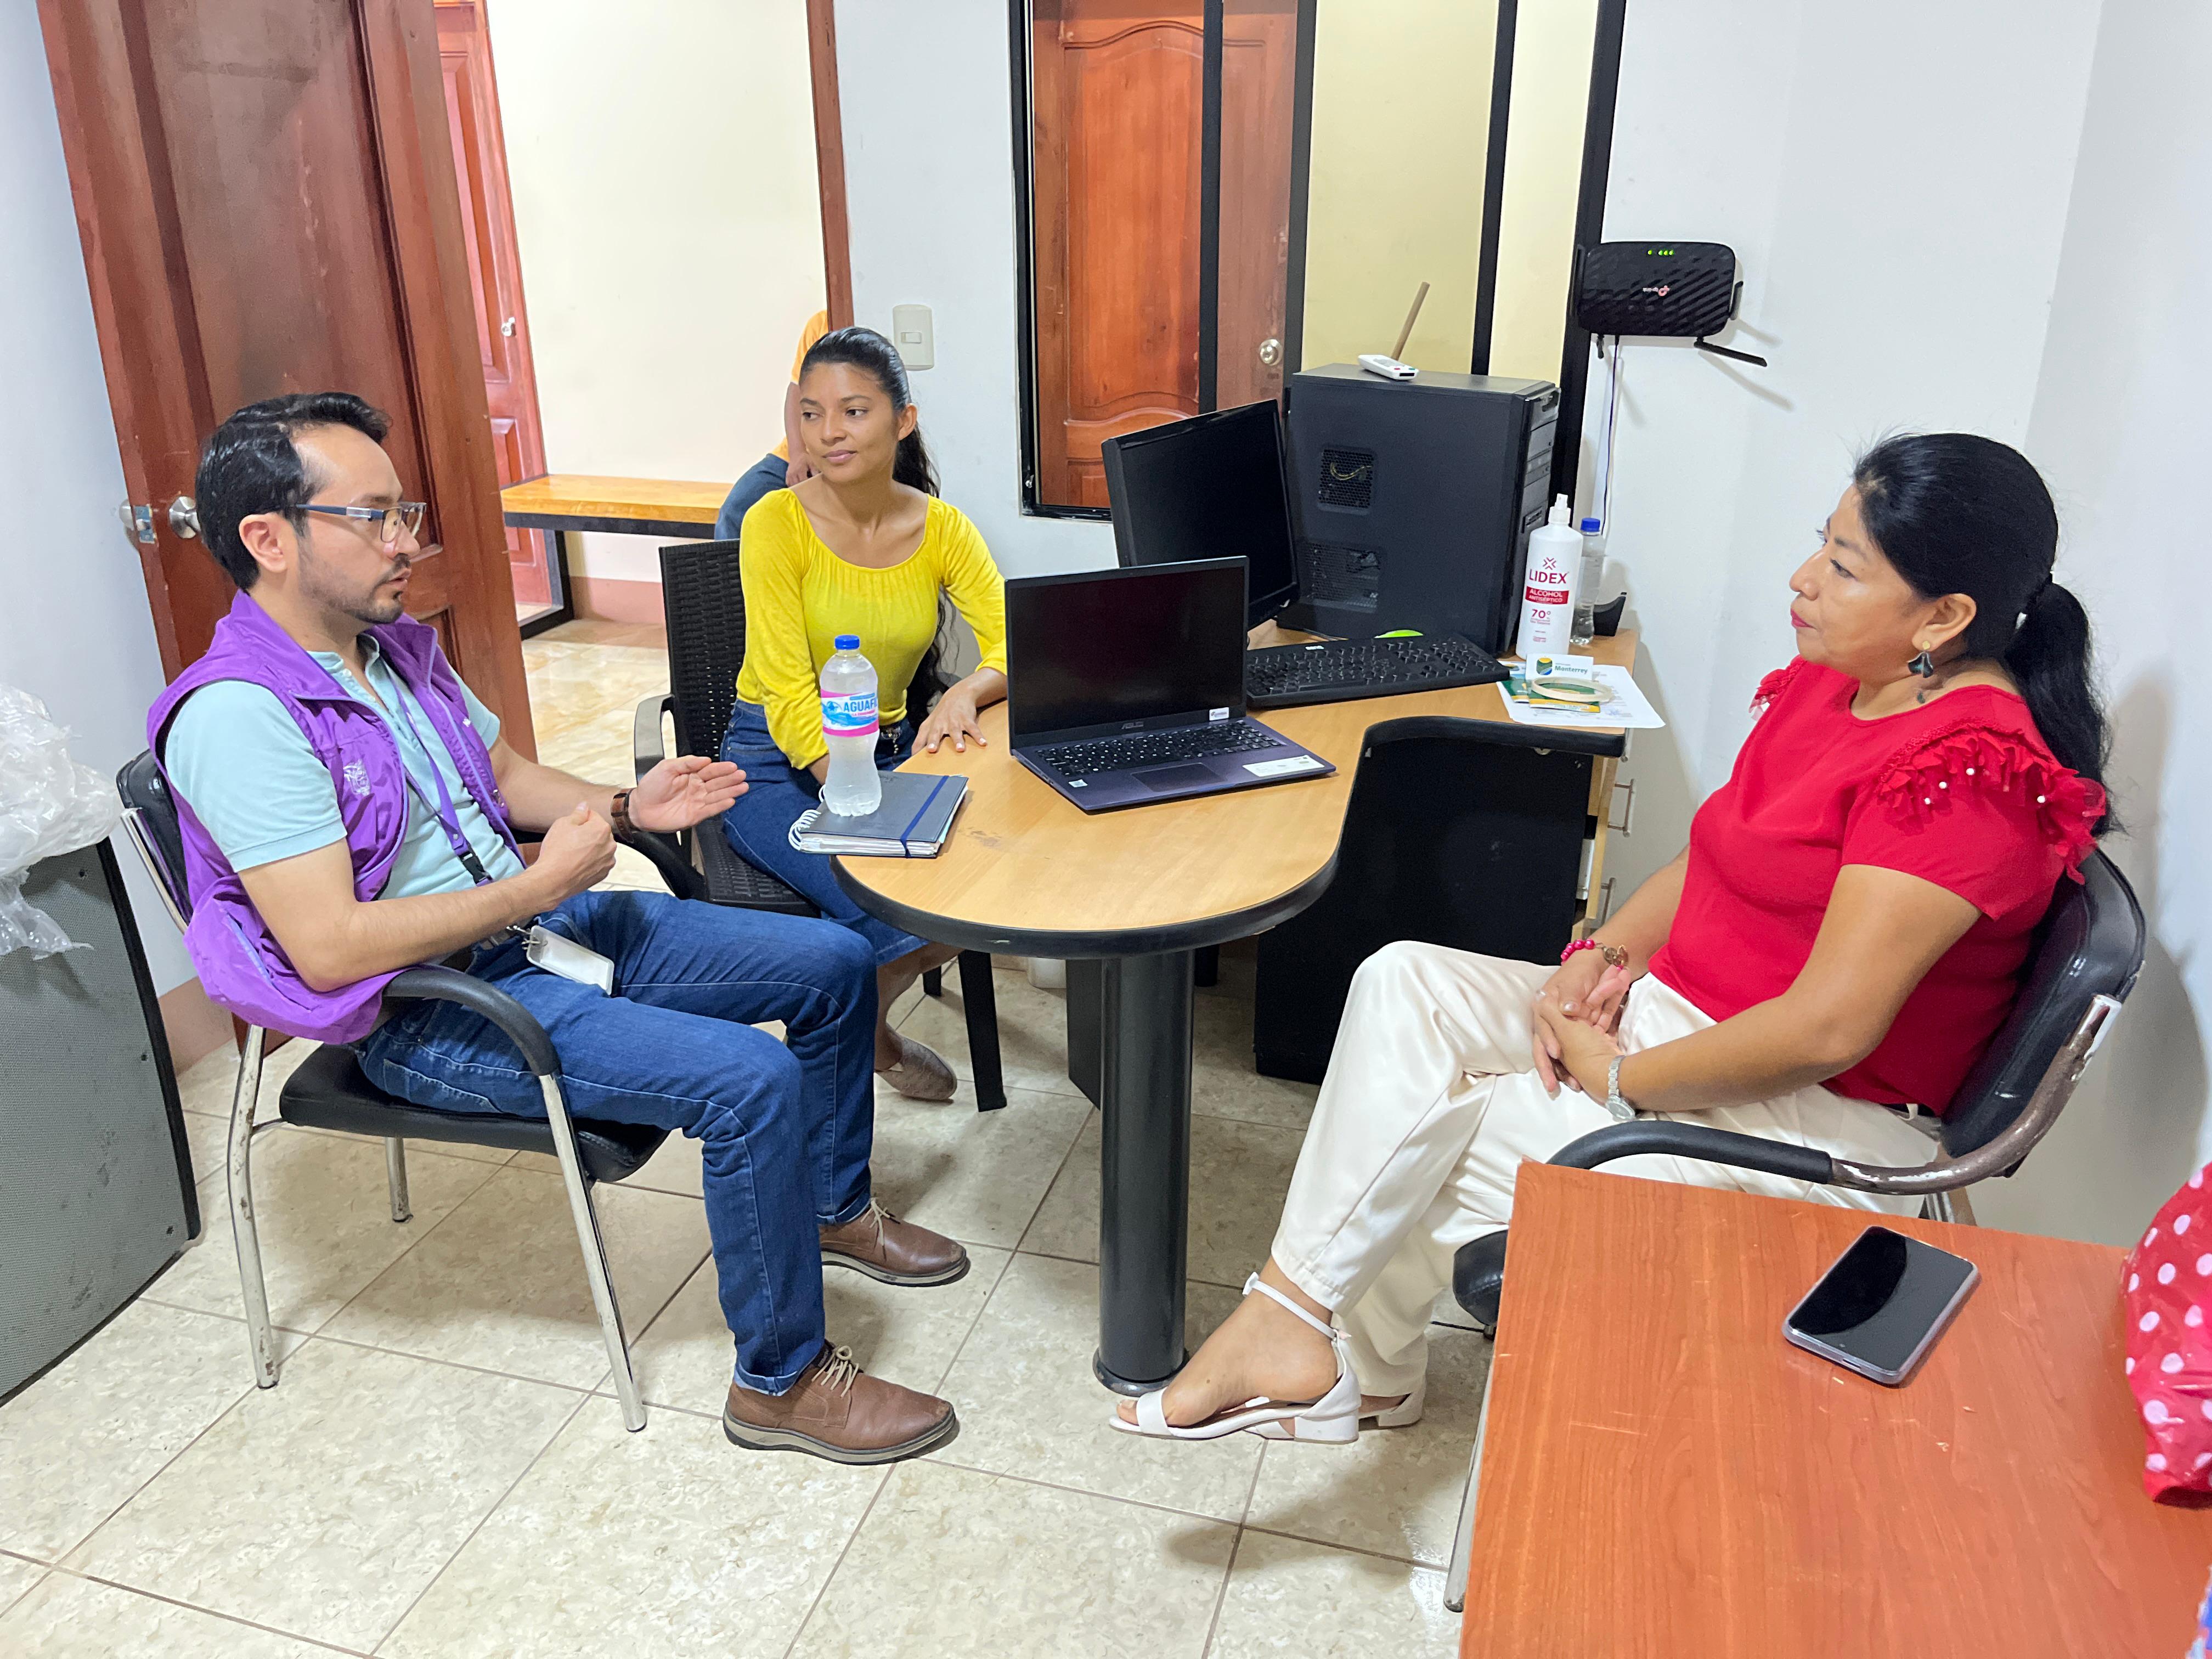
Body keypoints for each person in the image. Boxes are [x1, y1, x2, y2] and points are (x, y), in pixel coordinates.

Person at [1116, 432, 2112, 1441]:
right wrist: (1602, 955)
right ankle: (1317, 1343)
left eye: (1845, 567)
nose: (1803, 578)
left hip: (1801, 1116)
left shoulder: (1964, 775)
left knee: (1417, 1141)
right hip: (1680, 1016)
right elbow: (1715, 853)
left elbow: (1826, 1029)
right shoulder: (1844, 677)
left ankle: (1323, 1349)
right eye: (1823, 541)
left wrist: (1624, 1080)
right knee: (1401, 980)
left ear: (1943, 617)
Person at [153, 391, 968, 1466]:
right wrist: (535, 889)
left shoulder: (390, 648)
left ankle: (828, 1208)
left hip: (537, 933)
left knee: (834, 962)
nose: (406, 542)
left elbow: (501, 775)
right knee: (750, 1080)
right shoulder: (240, 716)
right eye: (374, 517)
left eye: (406, 512)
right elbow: (332, 947)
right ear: (269, 539)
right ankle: (779, 1382)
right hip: (433, 1004)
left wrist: (629, 806)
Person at [718, 327, 1009, 1102]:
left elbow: (1017, 636)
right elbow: (786, 691)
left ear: (902, 421)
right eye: (812, 414)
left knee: (980, 884)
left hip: (887, 753)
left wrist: (967, 690)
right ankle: (857, 1062)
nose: (829, 433)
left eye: (853, 411)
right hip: (775, 765)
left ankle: (866, 1025)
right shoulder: (774, 521)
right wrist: (853, 797)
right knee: (896, 904)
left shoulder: (941, 527)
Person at [714, 308, 832, 540]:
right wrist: (798, 454)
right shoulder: (820, 323)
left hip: (844, 454)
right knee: (736, 512)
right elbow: (796, 390)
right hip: (799, 452)